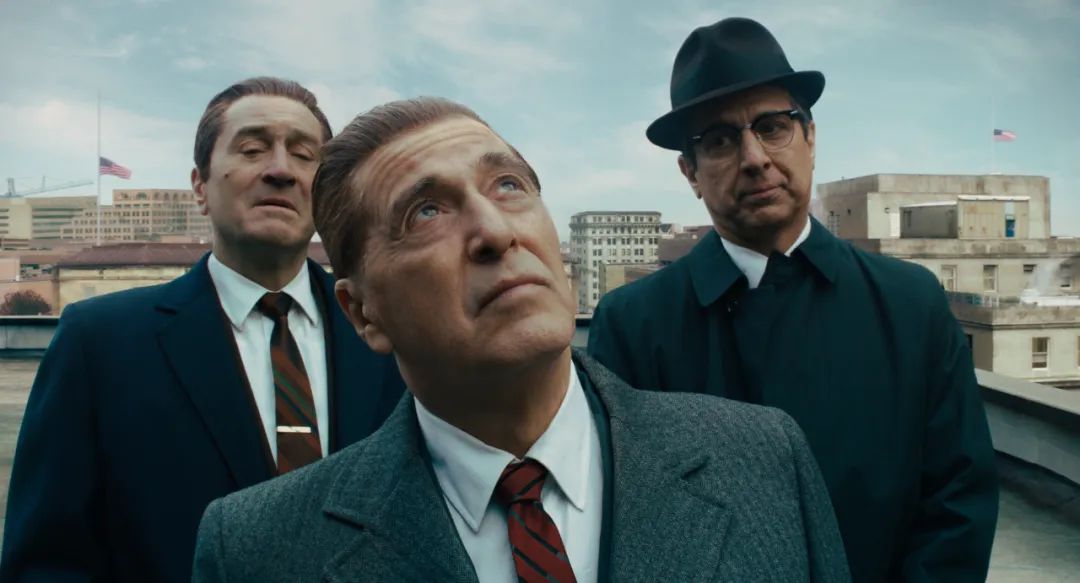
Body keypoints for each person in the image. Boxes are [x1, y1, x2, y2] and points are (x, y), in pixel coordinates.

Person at [190, 96, 851, 583]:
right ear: (363, 313)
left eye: (508, 186)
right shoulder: (255, 549)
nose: (495, 231)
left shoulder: (766, 460)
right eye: (426, 211)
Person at [587, 17, 998, 582]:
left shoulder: (910, 303)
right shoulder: (632, 325)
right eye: (720, 140)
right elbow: (626, 524)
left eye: (772, 127)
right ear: (691, 172)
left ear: (810, 138)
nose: (754, 157)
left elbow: (958, 502)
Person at [1, 77, 405, 582]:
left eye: (304, 156)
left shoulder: (391, 333)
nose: (280, 170)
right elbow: (45, 561)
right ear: (200, 186)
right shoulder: (100, 343)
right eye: (253, 149)